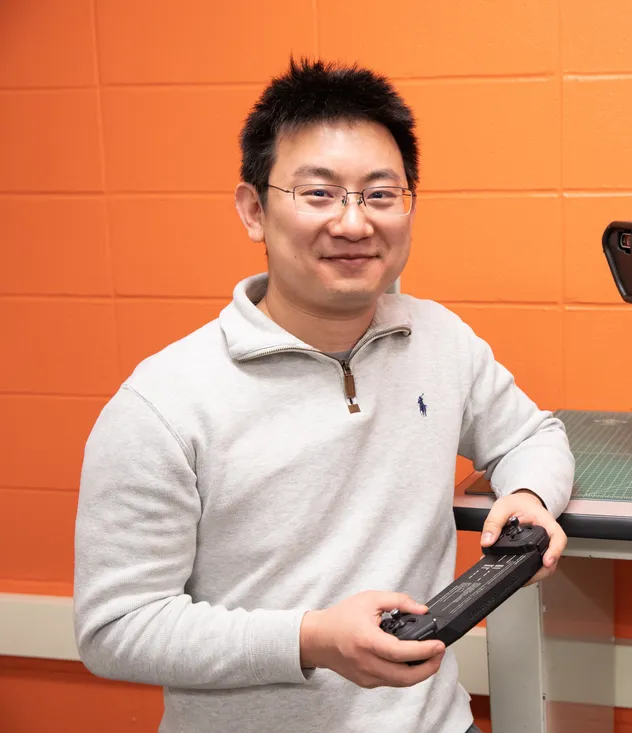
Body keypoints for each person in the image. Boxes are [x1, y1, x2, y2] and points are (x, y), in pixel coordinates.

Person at [72, 57, 574, 733]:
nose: (353, 223)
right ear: (254, 209)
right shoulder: (163, 403)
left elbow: (532, 434)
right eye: (319, 194)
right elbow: (116, 625)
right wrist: (309, 638)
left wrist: (529, 495)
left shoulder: (440, 339)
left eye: (380, 194)